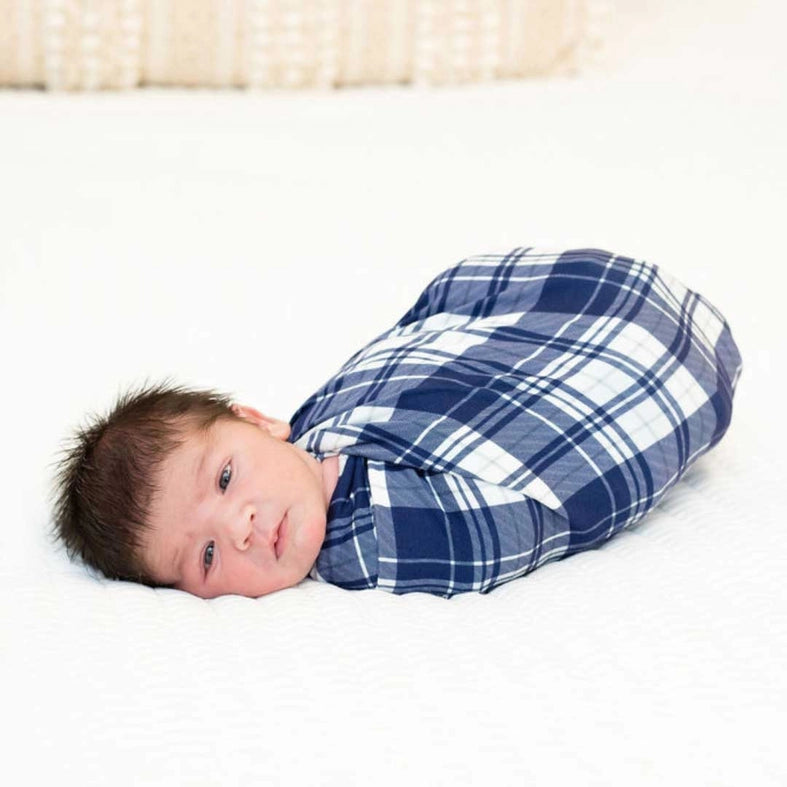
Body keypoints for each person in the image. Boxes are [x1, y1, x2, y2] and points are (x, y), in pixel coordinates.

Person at [50, 247, 742, 599]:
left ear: (258, 419)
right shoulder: (371, 539)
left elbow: (419, 344)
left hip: (588, 295)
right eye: (205, 558)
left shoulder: (325, 416)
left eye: (225, 477)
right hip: (656, 356)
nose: (240, 527)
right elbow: (508, 523)